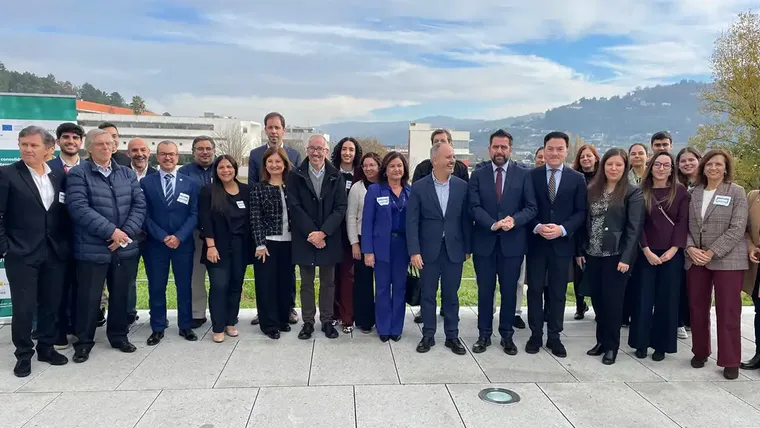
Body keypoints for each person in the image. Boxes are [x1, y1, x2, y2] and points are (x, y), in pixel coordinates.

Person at [66, 128, 146, 363]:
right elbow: (79, 208)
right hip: (92, 248)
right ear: (89, 148)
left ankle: (119, 337)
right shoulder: (78, 174)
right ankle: (84, 342)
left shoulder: (127, 174)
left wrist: (124, 233)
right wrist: (112, 232)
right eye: (99, 144)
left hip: (124, 247)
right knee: (88, 298)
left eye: (109, 143)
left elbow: (139, 205)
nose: (105, 147)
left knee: (121, 295)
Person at [0, 126, 71, 377]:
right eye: (24, 144)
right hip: (22, 254)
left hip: (54, 252)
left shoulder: (58, 175)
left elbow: (62, 212)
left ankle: (46, 347)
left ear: (48, 149)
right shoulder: (7, 174)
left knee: (51, 304)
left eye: (33, 145)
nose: (27, 149)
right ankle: (23, 355)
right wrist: (5, 248)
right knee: (24, 308)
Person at [468, 130, 536, 355]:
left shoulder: (523, 174)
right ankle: (484, 335)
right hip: (485, 244)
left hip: (512, 245)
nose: (499, 151)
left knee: (509, 292)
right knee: (485, 292)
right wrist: (492, 224)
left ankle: (507, 335)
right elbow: (473, 207)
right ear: (489, 149)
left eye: (503, 147)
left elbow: (531, 207)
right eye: (496, 147)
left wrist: (514, 220)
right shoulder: (478, 175)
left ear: (510, 149)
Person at [577, 148, 645, 365]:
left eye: (618, 165)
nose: (613, 168)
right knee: (598, 300)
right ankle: (601, 341)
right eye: (610, 164)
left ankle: (612, 347)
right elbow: (583, 222)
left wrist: (626, 258)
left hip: (616, 256)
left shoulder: (632, 193)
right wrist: (580, 250)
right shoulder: (592, 190)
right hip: (593, 254)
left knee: (613, 303)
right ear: (603, 166)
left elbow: (634, 229)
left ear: (625, 167)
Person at [685, 149, 748, 380]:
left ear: (726, 168)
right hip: (696, 258)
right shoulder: (693, 192)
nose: (713, 168)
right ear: (703, 167)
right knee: (697, 308)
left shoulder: (736, 192)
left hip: (728, 259)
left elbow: (738, 227)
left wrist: (712, 252)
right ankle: (700, 351)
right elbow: (684, 225)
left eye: (718, 164)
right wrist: (690, 248)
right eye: (709, 164)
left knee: (728, 311)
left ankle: (730, 360)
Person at [526, 132, 587, 358]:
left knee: (558, 292)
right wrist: (536, 226)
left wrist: (562, 229)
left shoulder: (576, 178)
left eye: (559, 149)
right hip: (536, 244)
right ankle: (535, 335)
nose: (554, 153)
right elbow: (524, 207)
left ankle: (554, 336)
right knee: (534, 290)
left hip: (562, 245)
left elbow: (581, 212)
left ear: (567, 151)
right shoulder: (531, 176)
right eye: (550, 148)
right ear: (544, 150)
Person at [408, 142, 471, 355]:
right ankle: (428, 335)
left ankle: (452, 336)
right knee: (428, 294)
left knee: (451, 295)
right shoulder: (419, 187)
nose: (453, 160)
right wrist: (414, 251)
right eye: (448, 157)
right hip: (428, 250)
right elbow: (412, 222)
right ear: (435, 160)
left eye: (453, 156)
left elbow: (465, 220)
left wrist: (467, 247)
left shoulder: (462, 186)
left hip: (454, 249)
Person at [628, 151, 688, 361]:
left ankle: (661, 345)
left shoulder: (680, 192)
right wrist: (646, 250)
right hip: (646, 252)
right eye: (657, 164)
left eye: (666, 165)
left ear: (672, 169)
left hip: (672, 253)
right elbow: (637, 224)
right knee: (642, 298)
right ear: (651, 167)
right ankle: (641, 342)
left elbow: (682, 222)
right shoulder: (640, 191)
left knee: (667, 300)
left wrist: (674, 249)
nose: (661, 168)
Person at [140, 140, 200, 345]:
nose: (168, 158)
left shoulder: (190, 183)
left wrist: (179, 237)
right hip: (156, 245)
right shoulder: (146, 183)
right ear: (157, 156)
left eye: (172, 154)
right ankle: (157, 327)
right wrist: (163, 236)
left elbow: (194, 214)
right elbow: (144, 214)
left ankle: (185, 325)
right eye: (164, 154)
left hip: (183, 244)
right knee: (157, 286)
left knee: (184, 286)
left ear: (178, 157)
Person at [288, 135, 346, 340]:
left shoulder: (336, 175)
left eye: (320, 149)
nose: (316, 153)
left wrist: (323, 233)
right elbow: (294, 206)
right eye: (312, 148)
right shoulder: (295, 175)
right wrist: (312, 233)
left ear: (326, 152)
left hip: (329, 236)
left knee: (328, 282)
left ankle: (327, 321)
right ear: (307, 150)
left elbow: (341, 207)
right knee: (306, 282)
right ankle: (308, 322)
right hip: (305, 237)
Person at [249, 112, 302, 326]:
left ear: (283, 130)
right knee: (266, 281)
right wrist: (259, 242)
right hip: (268, 238)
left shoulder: (295, 158)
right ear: (265, 130)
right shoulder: (255, 157)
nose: (273, 131)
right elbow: (255, 210)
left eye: (277, 127)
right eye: (270, 127)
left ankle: (286, 311)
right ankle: (267, 318)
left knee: (286, 278)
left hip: (290, 238)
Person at [200, 155, 252, 343]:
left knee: (236, 285)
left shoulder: (246, 190)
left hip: (241, 246)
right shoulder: (209, 191)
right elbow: (205, 220)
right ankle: (218, 326)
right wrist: (210, 245)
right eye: (221, 167)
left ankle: (230, 321)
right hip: (217, 246)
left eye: (229, 167)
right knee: (219, 285)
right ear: (216, 170)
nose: (226, 170)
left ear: (235, 169)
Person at [362, 152, 412, 342]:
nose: (396, 169)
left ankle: (396, 327)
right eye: (392, 166)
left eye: (399, 166)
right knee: (382, 288)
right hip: (381, 246)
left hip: (403, 246)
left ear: (404, 169)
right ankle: (383, 327)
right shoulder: (375, 190)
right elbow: (367, 222)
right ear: (385, 170)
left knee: (400, 287)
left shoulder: (410, 191)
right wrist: (368, 251)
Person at [47, 122, 85, 349]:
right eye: (66, 137)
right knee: (57, 288)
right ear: (58, 141)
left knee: (83, 287)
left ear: (81, 142)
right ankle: (58, 332)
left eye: (75, 138)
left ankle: (79, 330)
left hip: (86, 238)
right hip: (56, 238)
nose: (71, 141)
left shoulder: (90, 168)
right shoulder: (47, 167)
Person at [250, 148, 293, 340]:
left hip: (290, 242)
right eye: (270, 162)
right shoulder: (258, 188)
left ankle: (283, 319)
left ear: (285, 164)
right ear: (265, 165)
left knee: (285, 283)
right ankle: (269, 324)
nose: (274, 165)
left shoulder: (292, 186)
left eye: (278, 162)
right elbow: (255, 217)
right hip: (268, 243)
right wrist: (260, 244)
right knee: (266, 284)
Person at [178, 136, 216, 329]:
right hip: (195, 231)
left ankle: (223, 312)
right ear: (193, 152)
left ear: (214, 151)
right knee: (196, 274)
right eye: (200, 149)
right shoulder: (184, 172)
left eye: (208, 148)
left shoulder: (222, 168)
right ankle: (197, 313)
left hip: (220, 232)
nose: (205, 152)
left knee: (220, 276)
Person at [347, 153, 382, 334]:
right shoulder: (357, 188)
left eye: (372, 165)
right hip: (362, 239)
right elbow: (351, 217)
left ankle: (382, 318)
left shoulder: (386, 185)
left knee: (383, 282)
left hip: (382, 240)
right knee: (363, 282)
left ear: (379, 166)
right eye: (365, 165)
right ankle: (365, 320)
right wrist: (354, 242)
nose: (368, 169)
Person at [331, 137, 362, 332]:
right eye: (344, 149)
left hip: (352, 232)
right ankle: (333, 314)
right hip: (332, 230)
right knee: (331, 275)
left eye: (351, 149)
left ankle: (347, 316)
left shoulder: (360, 174)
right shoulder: (331, 172)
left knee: (348, 275)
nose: (347, 153)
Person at [124, 137, 156, 326]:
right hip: (128, 235)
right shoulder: (120, 173)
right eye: (135, 150)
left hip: (152, 236)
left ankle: (157, 315)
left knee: (156, 278)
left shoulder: (157, 175)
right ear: (128, 153)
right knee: (127, 278)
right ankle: (128, 314)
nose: (139, 154)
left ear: (149, 152)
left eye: (143, 150)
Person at [674, 146, 702, 339]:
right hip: (681, 243)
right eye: (683, 161)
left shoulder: (708, 185)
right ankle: (679, 321)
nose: (687, 163)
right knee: (680, 285)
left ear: (699, 160)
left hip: (704, 246)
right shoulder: (677, 187)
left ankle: (693, 321)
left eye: (691, 160)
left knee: (698, 289)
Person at [570, 144, 600, 320]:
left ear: (596, 158)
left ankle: (598, 307)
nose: (586, 159)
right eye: (582, 157)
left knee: (597, 273)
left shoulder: (603, 178)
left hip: (599, 229)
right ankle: (580, 305)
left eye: (589, 156)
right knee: (579, 271)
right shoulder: (575, 178)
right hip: (579, 230)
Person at [741, 180, 760, 369]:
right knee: (759, 309)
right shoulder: (753, 196)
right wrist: (751, 247)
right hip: (757, 263)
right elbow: (745, 229)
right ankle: (759, 354)